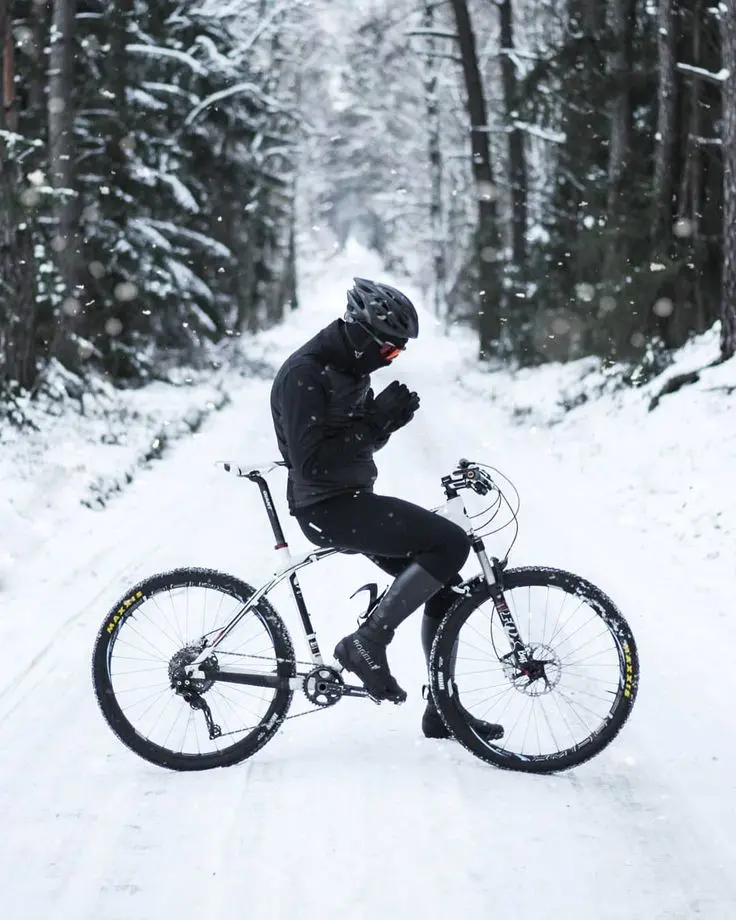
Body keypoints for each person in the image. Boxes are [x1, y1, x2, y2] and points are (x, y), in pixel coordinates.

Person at [270, 277, 503, 741]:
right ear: (362, 332)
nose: (392, 358)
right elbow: (311, 463)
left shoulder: (350, 368)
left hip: (347, 498)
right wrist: (375, 421)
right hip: (326, 508)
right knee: (449, 544)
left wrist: (384, 425)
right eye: (390, 348)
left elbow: (350, 445)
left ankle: (443, 710)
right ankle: (367, 642)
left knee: (444, 585)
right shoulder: (305, 374)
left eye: (398, 352)